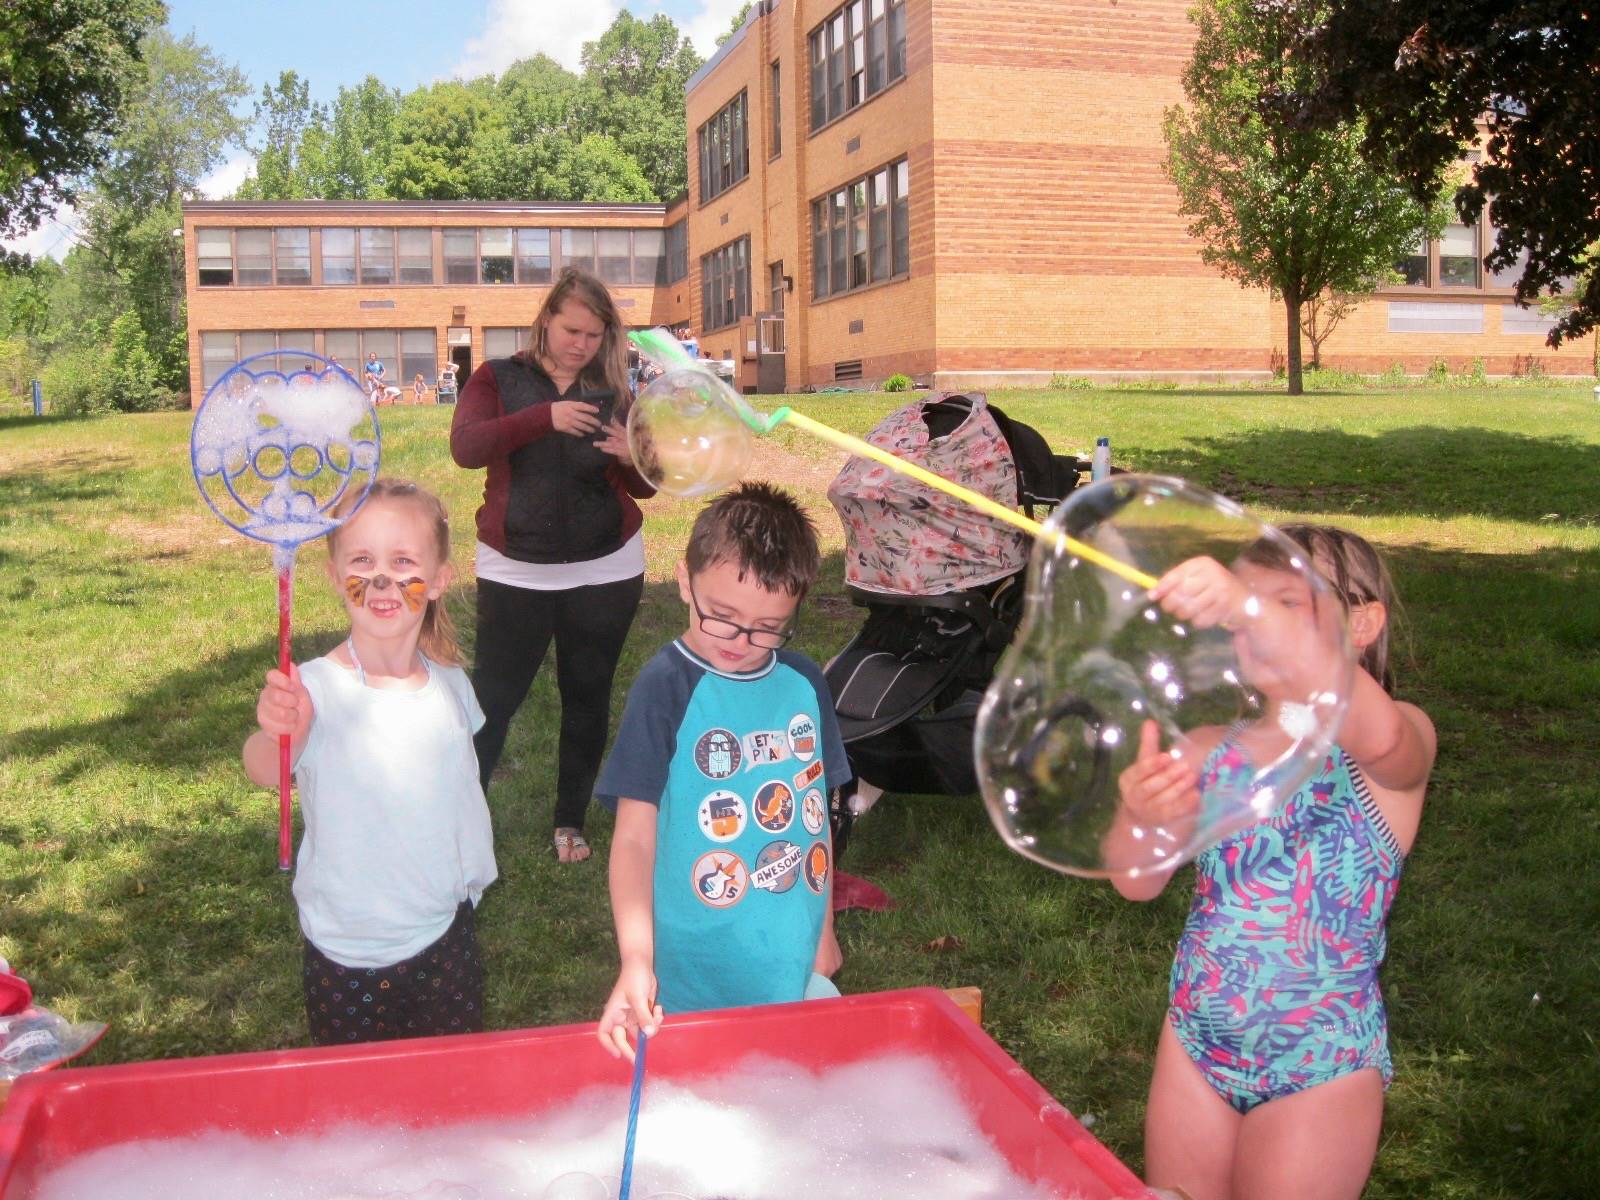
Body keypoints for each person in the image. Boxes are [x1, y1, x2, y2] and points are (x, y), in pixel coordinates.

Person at [1110, 526, 1435, 1200]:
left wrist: (1245, 605)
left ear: (1364, 622)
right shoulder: (1209, 746)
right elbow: (1134, 882)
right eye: (1241, 604)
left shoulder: (1390, 742)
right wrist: (1143, 815)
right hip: (1195, 1043)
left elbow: (1383, 735)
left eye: (1284, 602)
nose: (1247, 617)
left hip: (1321, 1065)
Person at [594, 483, 849, 1060]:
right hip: (693, 971)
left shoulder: (804, 685)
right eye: (723, 617)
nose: (742, 641)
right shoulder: (666, 689)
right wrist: (636, 958)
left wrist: (825, 930)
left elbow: (816, 818)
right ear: (685, 580)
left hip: (790, 951)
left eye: (767, 627)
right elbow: (634, 839)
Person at [243, 478, 497, 1045]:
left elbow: (457, 797)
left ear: (437, 581)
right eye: (363, 560)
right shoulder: (313, 689)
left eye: (403, 561)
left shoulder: (452, 686)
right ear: (336, 576)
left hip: (442, 935)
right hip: (346, 953)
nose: (382, 578)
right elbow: (265, 768)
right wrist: (276, 732)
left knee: (448, 1086)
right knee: (359, 1107)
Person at [450, 267, 654, 864]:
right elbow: (466, 449)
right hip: (516, 569)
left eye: (594, 335)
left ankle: (569, 821)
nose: (581, 345)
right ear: (545, 320)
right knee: (493, 699)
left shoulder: (615, 391)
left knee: (587, 696)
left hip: (607, 568)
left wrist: (633, 455)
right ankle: (462, 819)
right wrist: (545, 418)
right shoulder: (498, 377)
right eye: (571, 330)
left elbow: (645, 490)